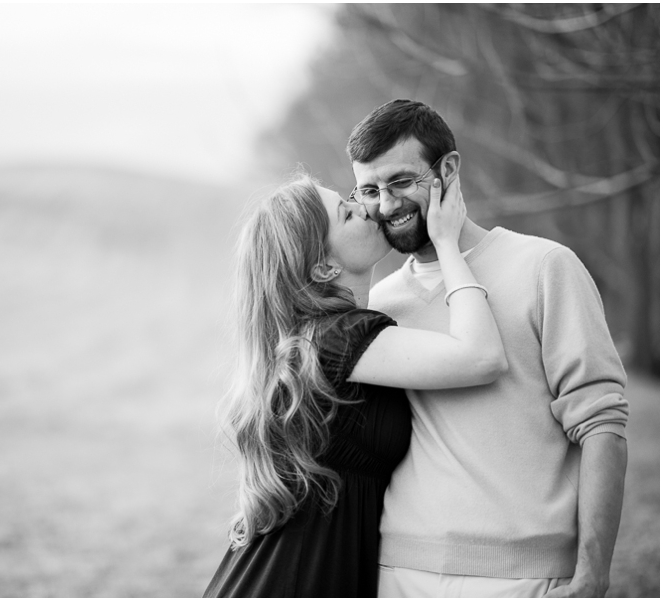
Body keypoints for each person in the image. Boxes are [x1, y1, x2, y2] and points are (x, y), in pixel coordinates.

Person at [345, 99, 629, 598]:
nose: (387, 206)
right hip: (398, 574)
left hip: (528, 577)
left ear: (448, 169)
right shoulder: (381, 303)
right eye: (370, 190)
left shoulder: (545, 266)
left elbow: (602, 424)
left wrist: (592, 573)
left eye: (401, 182)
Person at [204, 171, 507, 597]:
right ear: (324, 266)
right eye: (347, 214)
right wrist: (446, 243)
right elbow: (482, 357)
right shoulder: (335, 338)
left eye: (350, 198)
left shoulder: (319, 340)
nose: (369, 207)